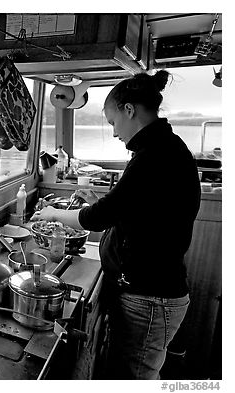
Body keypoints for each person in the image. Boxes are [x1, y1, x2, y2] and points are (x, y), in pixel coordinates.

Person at [32, 70, 201, 379]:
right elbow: (139, 210)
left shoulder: (155, 155)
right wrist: (98, 199)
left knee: (135, 377)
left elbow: (97, 217)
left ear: (129, 110)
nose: (113, 133)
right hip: (148, 294)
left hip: (151, 297)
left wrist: (53, 214)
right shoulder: (163, 148)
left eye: (112, 122)